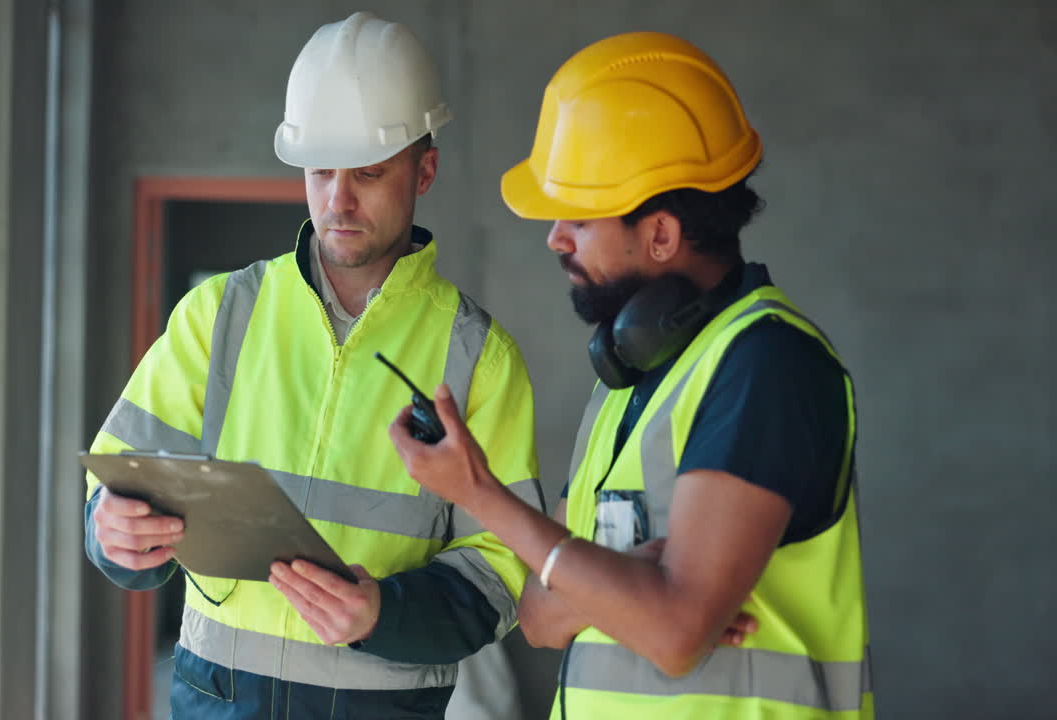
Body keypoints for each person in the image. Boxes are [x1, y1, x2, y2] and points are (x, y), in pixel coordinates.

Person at [389, 31, 873, 719]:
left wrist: (481, 496)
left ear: (662, 235)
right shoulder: (626, 385)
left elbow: (673, 635)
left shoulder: (766, 367)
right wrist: (629, 590)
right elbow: (539, 619)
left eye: (579, 218)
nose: (555, 237)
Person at [82, 11, 545, 719]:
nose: (339, 199)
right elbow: (121, 476)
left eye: (369, 173)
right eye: (321, 171)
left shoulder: (480, 357)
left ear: (425, 170)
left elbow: (503, 574)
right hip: (218, 704)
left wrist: (383, 612)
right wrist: (112, 530)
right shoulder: (219, 314)